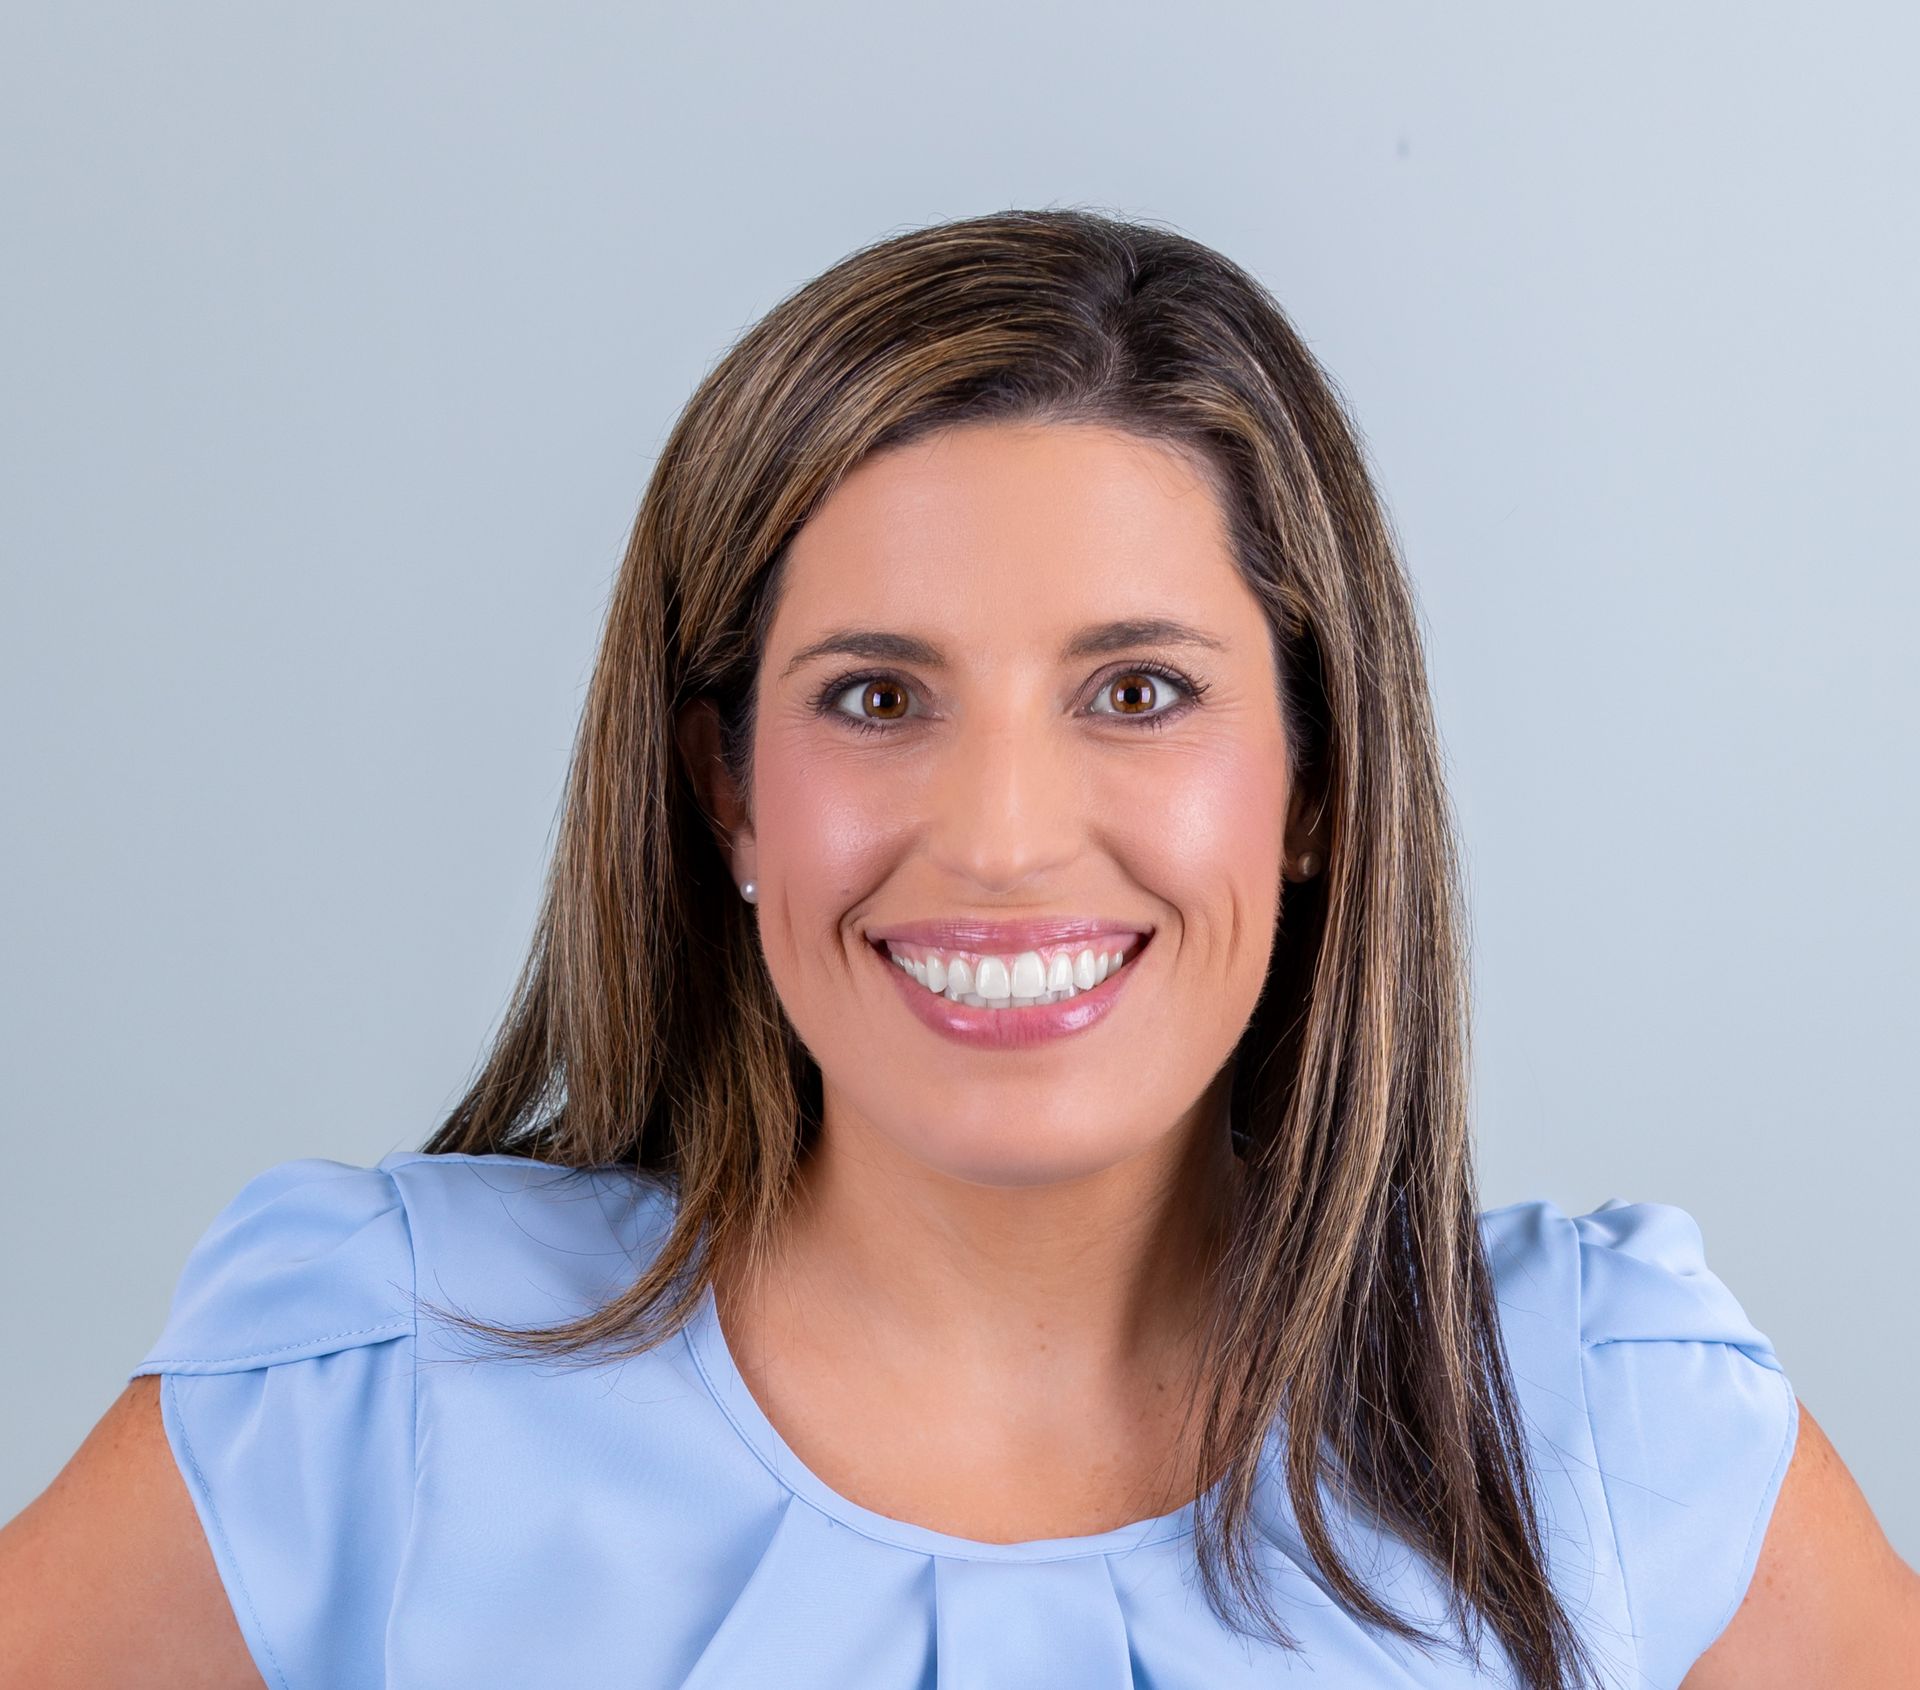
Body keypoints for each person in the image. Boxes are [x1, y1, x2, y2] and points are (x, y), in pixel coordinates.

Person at [2, 208, 1913, 1689]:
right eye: (875, 696)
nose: (1001, 838)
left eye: (1141, 689)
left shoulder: (1615, 1425)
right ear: (728, 792)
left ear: (1318, 785)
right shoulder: (359, 1393)